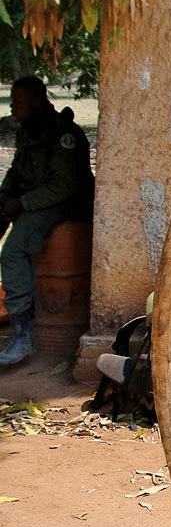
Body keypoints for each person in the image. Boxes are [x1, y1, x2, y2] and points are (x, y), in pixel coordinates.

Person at [0, 75, 94, 366]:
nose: (12, 107)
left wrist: (22, 204)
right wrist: (3, 199)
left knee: (13, 251)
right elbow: (17, 172)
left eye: (18, 102)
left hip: (66, 206)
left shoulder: (64, 134)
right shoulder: (28, 131)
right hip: (40, 201)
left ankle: (22, 336)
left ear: (36, 103)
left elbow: (63, 187)